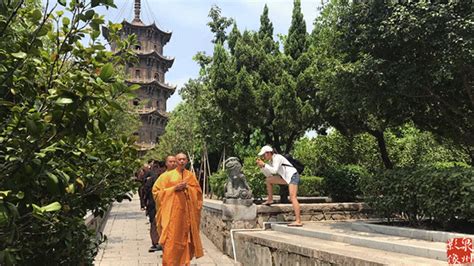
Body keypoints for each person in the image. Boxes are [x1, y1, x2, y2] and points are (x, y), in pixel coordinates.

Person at [152, 153, 204, 265]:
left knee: (185, 241)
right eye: (179, 159)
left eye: (184, 159)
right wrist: (174, 189)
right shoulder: (166, 176)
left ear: (186, 161)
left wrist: (188, 188)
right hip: (172, 216)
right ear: (176, 161)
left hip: (186, 217)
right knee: (171, 242)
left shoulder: (190, 176)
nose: (181, 161)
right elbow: (156, 192)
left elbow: (198, 193)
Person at [256, 145, 303, 227]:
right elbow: (269, 175)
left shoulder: (277, 157)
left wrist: (264, 165)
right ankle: (270, 199)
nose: (263, 156)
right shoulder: (271, 161)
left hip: (293, 176)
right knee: (268, 180)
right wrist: (262, 167)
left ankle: (298, 221)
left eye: (264, 154)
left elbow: (274, 171)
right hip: (286, 177)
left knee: (293, 197)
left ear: (268, 153)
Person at [143, 160, 166, 252]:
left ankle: (163, 241)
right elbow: (146, 190)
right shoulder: (153, 178)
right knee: (154, 223)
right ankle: (156, 242)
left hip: (166, 205)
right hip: (154, 205)